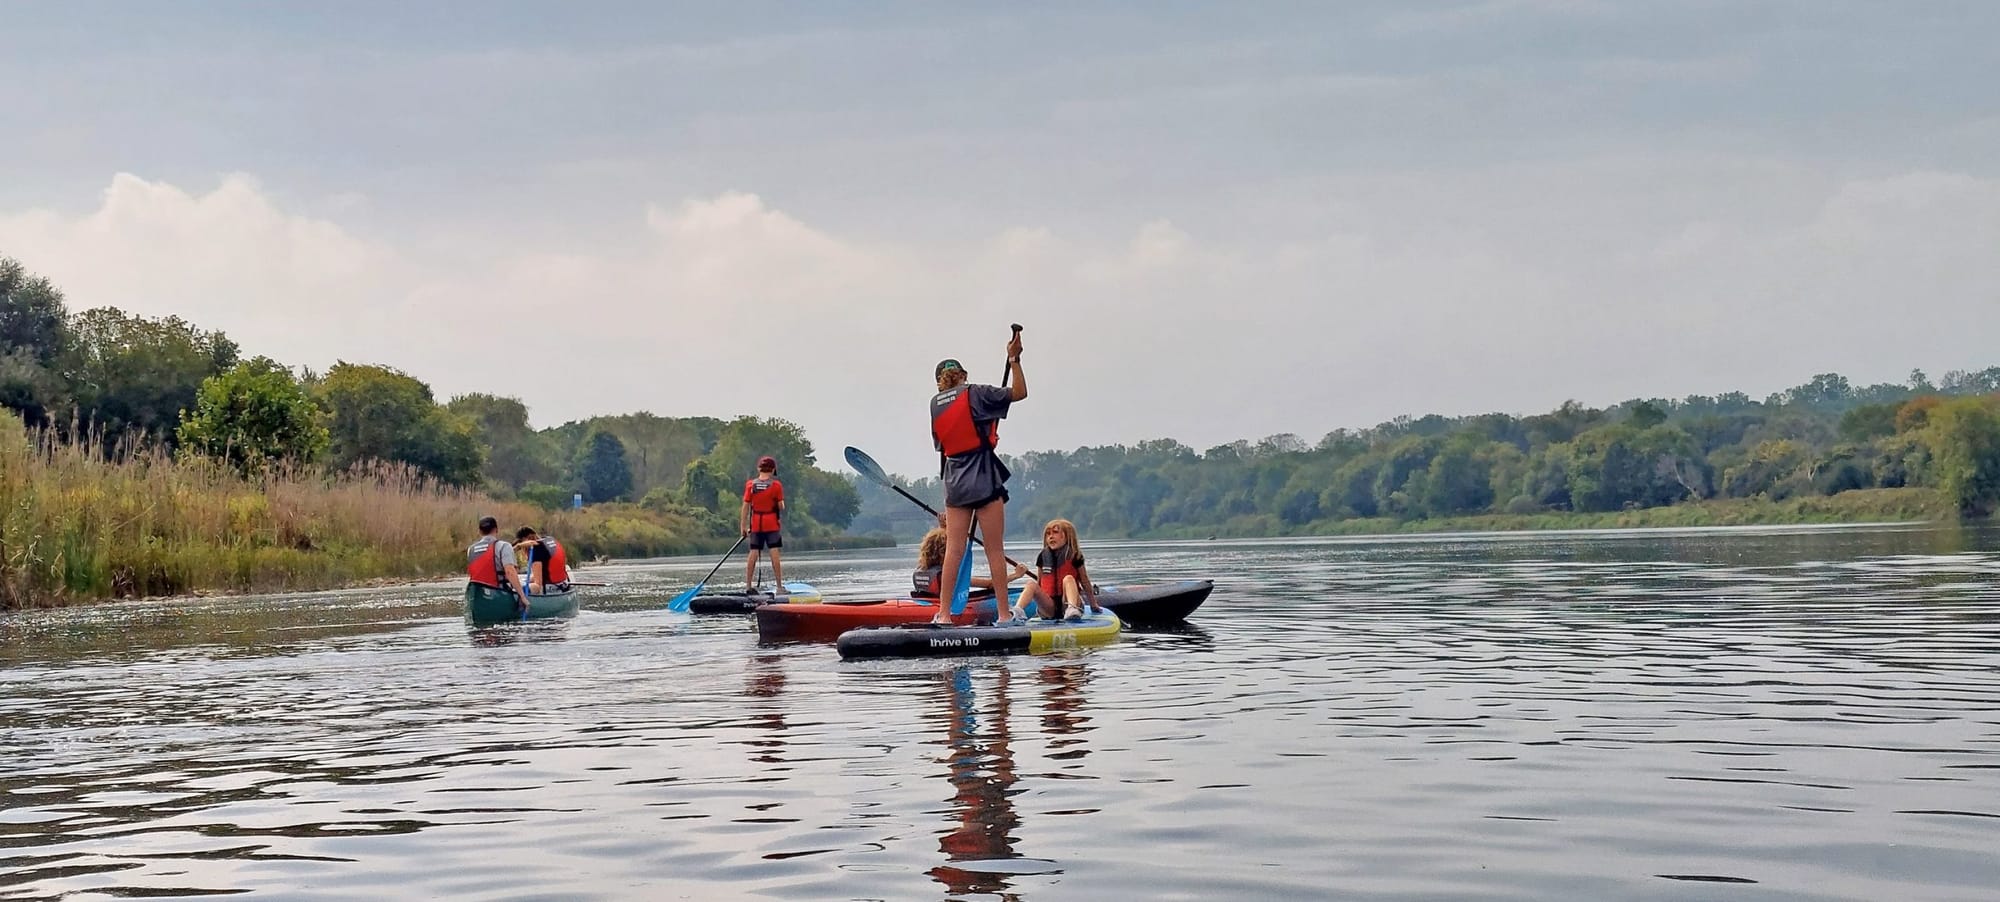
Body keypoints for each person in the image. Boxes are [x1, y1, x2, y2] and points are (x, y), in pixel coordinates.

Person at [929, 331, 1026, 623]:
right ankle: (1005, 616)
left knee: (953, 552)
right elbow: (1019, 392)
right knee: (995, 551)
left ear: (939, 381)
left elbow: (944, 448)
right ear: (963, 375)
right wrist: (1014, 359)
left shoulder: (935, 404)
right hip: (983, 477)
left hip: (954, 483)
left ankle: (943, 615)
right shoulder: (978, 392)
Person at [911, 526, 1028, 600]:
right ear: (944, 553)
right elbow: (991, 584)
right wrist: (1016, 575)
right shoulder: (946, 576)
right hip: (943, 606)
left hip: (926, 601)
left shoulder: (921, 570)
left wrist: (944, 526)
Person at [1027, 518, 1102, 621]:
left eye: (1055, 533)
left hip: (1067, 603)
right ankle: (1017, 611)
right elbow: (1040, 582)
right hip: (1050, 608)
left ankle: (1072, 609)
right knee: (1031, 584)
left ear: (1067, 536)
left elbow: (1084, 581)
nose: (1051, 536)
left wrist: (1093, 604)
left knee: (1068, 578)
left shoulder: (1075, 555)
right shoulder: (1042, 556)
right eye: (1048, 534)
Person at [740, 455, 786, 593]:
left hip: (756, 524)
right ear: (772, 470)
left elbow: (745, 507)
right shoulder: (776, 485)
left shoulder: (750, 485)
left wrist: (743, 526)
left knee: (753, 552)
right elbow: (780, 506)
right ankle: (779, 586)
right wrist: (781, 503)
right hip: (771, 523)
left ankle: (748, 586)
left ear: (759, 468)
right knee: (774, 552)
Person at [467, 515, 529, 612]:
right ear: (496, 530)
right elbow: (510, 572)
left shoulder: (471, 549)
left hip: (477, 593)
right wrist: (522, 597)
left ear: (479, 531)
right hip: (498, 594)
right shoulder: (504, 546)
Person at [514, 526, 571, 595]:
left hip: (550, 589)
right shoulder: (550, 540)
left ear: (528, 539)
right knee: (525, 581)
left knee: (523, 587)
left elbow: (538, 585)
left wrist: (517, 589)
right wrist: (525, 581)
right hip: (564, 584)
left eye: (521, 542)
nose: (523, 549)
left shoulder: (536, 549)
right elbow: (542, 573)